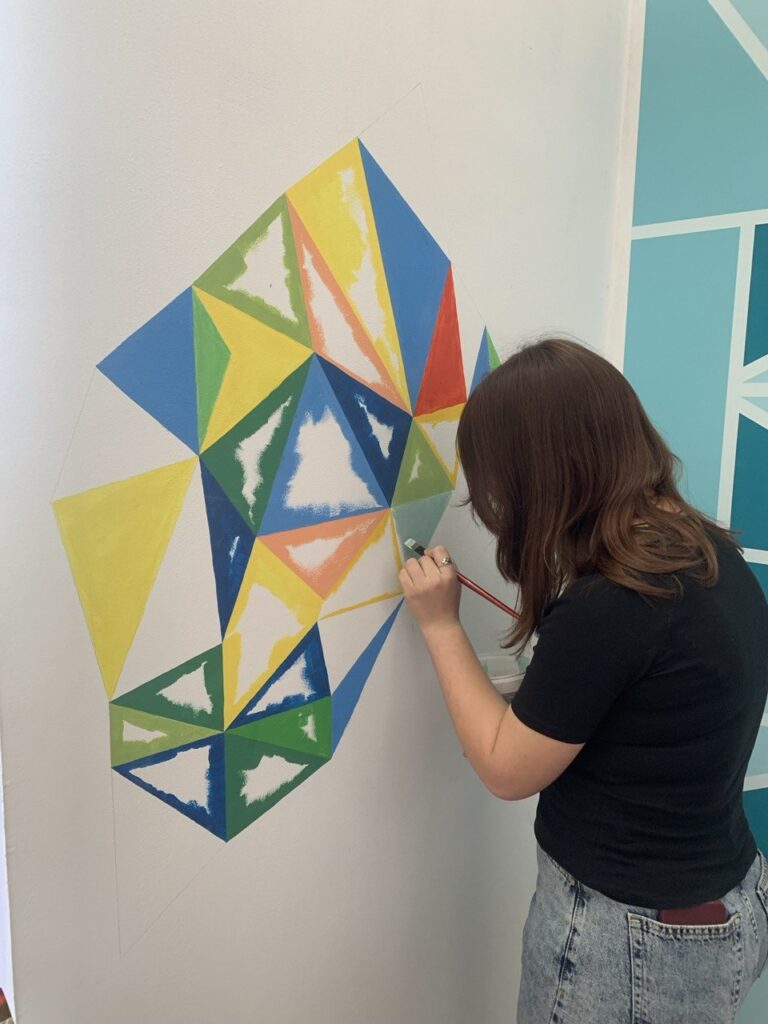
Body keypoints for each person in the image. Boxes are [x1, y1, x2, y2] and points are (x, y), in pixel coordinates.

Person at [398, 337, 768, 1023]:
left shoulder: (614, 605)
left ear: (539, 474)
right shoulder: (704, 549)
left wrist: (441, 626)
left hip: (632, 940)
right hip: (723, 900)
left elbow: (506, 769)